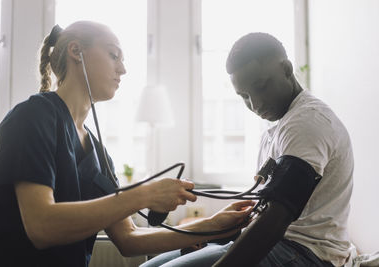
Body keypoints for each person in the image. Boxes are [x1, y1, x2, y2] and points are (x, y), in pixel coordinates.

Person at [0, 21, 256, 267]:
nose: (122, 69)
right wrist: (144, 195)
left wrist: (213, 225)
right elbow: (41, 227)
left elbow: (128, 237)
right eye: (113, 55)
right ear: (76, 51)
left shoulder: (99, 154)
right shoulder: (32, 117)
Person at [141, 32, 353, 267]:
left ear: (287, 69)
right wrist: (212, 234)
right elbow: (266, 209)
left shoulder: (307, 121)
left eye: (261, 87)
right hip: (281, 244)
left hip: (306, 254)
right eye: (244, 96)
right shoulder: (276, 129)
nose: (255, 104)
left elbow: (277, 216)